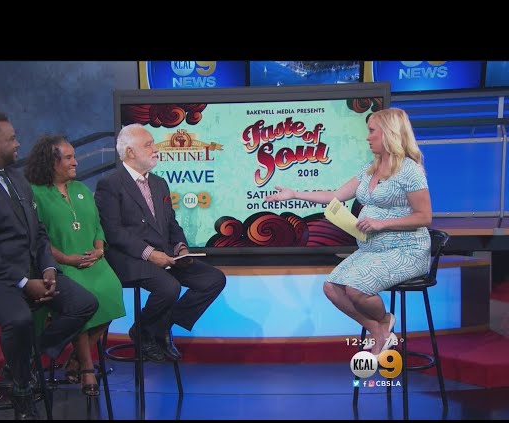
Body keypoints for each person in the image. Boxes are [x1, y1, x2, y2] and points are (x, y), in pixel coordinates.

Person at [0, 111, 99, 419]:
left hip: (32, 270)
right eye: (12, 138)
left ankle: (23, 361)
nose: (18, 143)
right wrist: (24, 283)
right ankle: (22, 387)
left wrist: (49, 268)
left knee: (84, 304)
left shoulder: (16, 178)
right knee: (20, 319)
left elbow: (37, 232)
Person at [266, 107, 432, 355]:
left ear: (389, 133)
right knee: (331, 287)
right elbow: (335, 195)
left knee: (356, 289)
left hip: (406, 250)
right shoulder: (370, 169)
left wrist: (381, 224)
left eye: (372, 131)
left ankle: (385, 320)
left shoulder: (410, 171)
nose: (367, 137)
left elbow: (424, 216)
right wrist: (295, 194)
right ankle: (378, 329)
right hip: (371, 250)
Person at [94, 123, 226, 362]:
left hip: (165, 255)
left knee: (213, 279)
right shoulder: (110, 184)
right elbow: (113, 232)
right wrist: (149, 253)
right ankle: (147, 333)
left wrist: (180, 247)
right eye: (148, 145)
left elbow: (171, 223)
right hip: (130, 258)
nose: (155, 149)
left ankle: (155, 327)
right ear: (130, 152)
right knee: (169, 287)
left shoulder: (159, 183)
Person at [24, 135, 126, 396]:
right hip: (60, 266)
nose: (75, 162)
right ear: (51, 162)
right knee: (82, 302)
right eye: (68, 158)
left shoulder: (81, 188)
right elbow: (37, 239)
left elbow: (97, 225)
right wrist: (67, 259)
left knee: (113, 293)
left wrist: (99, 249)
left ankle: (75, 360)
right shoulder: (34, 194)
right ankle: (87, 369)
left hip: (94, 261)